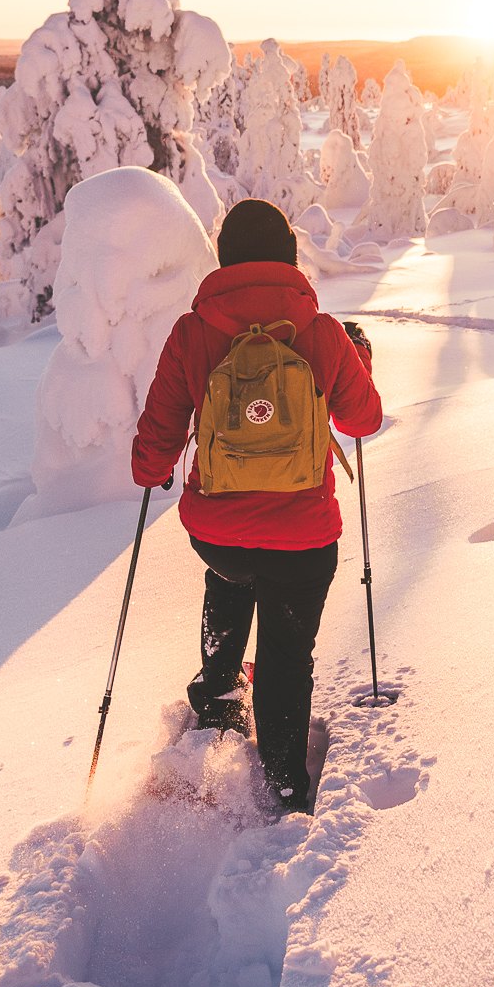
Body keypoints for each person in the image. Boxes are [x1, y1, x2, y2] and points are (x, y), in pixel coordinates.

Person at [130, 198, 382, 813]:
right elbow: (364, 418)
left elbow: (158, 434)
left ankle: (217, 694)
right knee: (287, 655)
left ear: (225, 262)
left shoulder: (193, 332)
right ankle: (286, 780)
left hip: (217, 532)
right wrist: (358, 358)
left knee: (232, 574)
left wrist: (153, 471)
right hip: (303, 538)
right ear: (289, 261)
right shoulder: (319, 332)